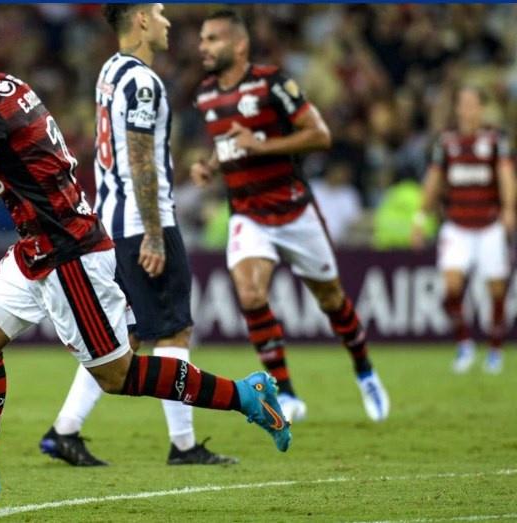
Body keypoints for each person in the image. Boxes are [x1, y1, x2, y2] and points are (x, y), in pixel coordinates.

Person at [0, 14, 291, 508]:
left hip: (69, 254)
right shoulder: (5, 89)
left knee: (118, 376)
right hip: (36, 250)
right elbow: (7, 150)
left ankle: (246, 395)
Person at [39, 3, 236, 468]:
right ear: (143, 19)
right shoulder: (144, 82)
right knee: (173, 330)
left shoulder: (110, 71)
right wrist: (152, 233)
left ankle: (63, 431)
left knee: (122, 341)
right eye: (161, 13)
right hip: (142, 223)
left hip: (110, 220)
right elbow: (142, 160)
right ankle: (183, 445)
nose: (169, 23)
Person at [189, 10, 389, 423]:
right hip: (247, 214)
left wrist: (260, 146)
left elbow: (320, 135)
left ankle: (365, 372)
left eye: (212, 39)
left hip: (294, 210)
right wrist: (209, 165)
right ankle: (288, 392)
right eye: (203, 39)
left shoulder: (272, 83)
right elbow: (230, 144)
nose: (202, 47)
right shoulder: (206, 95)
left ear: (239, 45)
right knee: (249, 295)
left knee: (332, 301)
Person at [412, 86, 515, 375]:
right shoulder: (446, 143)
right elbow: (432, 182)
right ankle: (464, 344)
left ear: (481, 109)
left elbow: (506, 176)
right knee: (452, 286)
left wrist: (509, 209)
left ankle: (495, 349)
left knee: (496, 290)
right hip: (456, 225)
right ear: (457, 109)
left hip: (489, 225)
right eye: (463, 104)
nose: (467, 110)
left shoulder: (496, 140)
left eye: (472, 104)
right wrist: (420, 219)